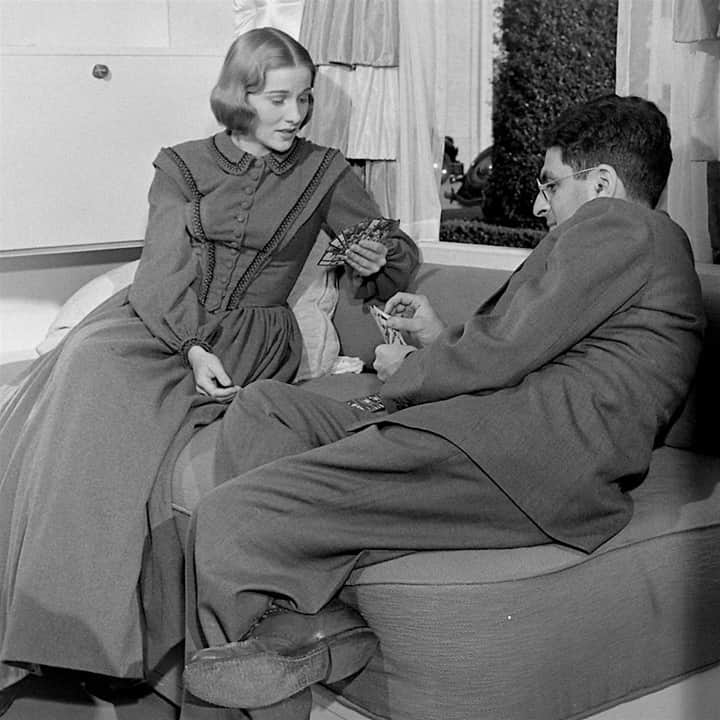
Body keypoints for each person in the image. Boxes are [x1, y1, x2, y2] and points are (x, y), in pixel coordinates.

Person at [180, 93, 705, 720]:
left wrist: (405, 374)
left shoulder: (620, 224)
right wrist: (434, 343)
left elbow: (505, 352)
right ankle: (304, 623)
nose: (540, 205)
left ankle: (282, 636)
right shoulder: (638, 246)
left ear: (602, 183)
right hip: (494, 436)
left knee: (231, 519)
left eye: (551, 185)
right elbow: (531, 344)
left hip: (522, 459)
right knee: (269, 407)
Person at [0, 26, 419, 711]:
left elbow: (388, 252)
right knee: (85, 364)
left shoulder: (326, 170)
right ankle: (58, 640)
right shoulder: (181, 165)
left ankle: (108, 650)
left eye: (304, 99)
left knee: (134, 416)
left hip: (255, 337)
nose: (295, 115)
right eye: (279, 99)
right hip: (170, 320)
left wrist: (382, 259)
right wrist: (191, 345)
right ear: (240, 94)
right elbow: (161, 273)